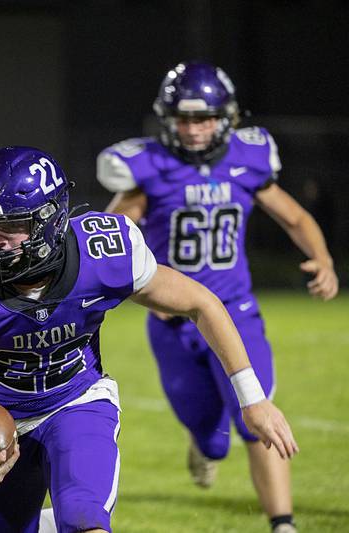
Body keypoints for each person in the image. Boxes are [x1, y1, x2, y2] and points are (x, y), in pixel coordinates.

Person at [0, 146, 298, 533]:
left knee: (87, 524)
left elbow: (202, 303)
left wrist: (253, 399)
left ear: (50, 222)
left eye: (9, 229)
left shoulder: (102, 254)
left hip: (77, 403)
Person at [97, 61, 338, 533]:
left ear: (225, 117)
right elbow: (110, 240)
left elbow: (293, 217)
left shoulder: (246, 163)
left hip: (235, 311)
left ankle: (282, 524)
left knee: (256, 417)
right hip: (174, 323)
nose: (193, 129)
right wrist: (140, 295)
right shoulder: (151, 170)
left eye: (204, 117)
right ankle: (204, 446)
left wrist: (323, 259)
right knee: (212, 439)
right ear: (168, 119)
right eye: (184, 119)